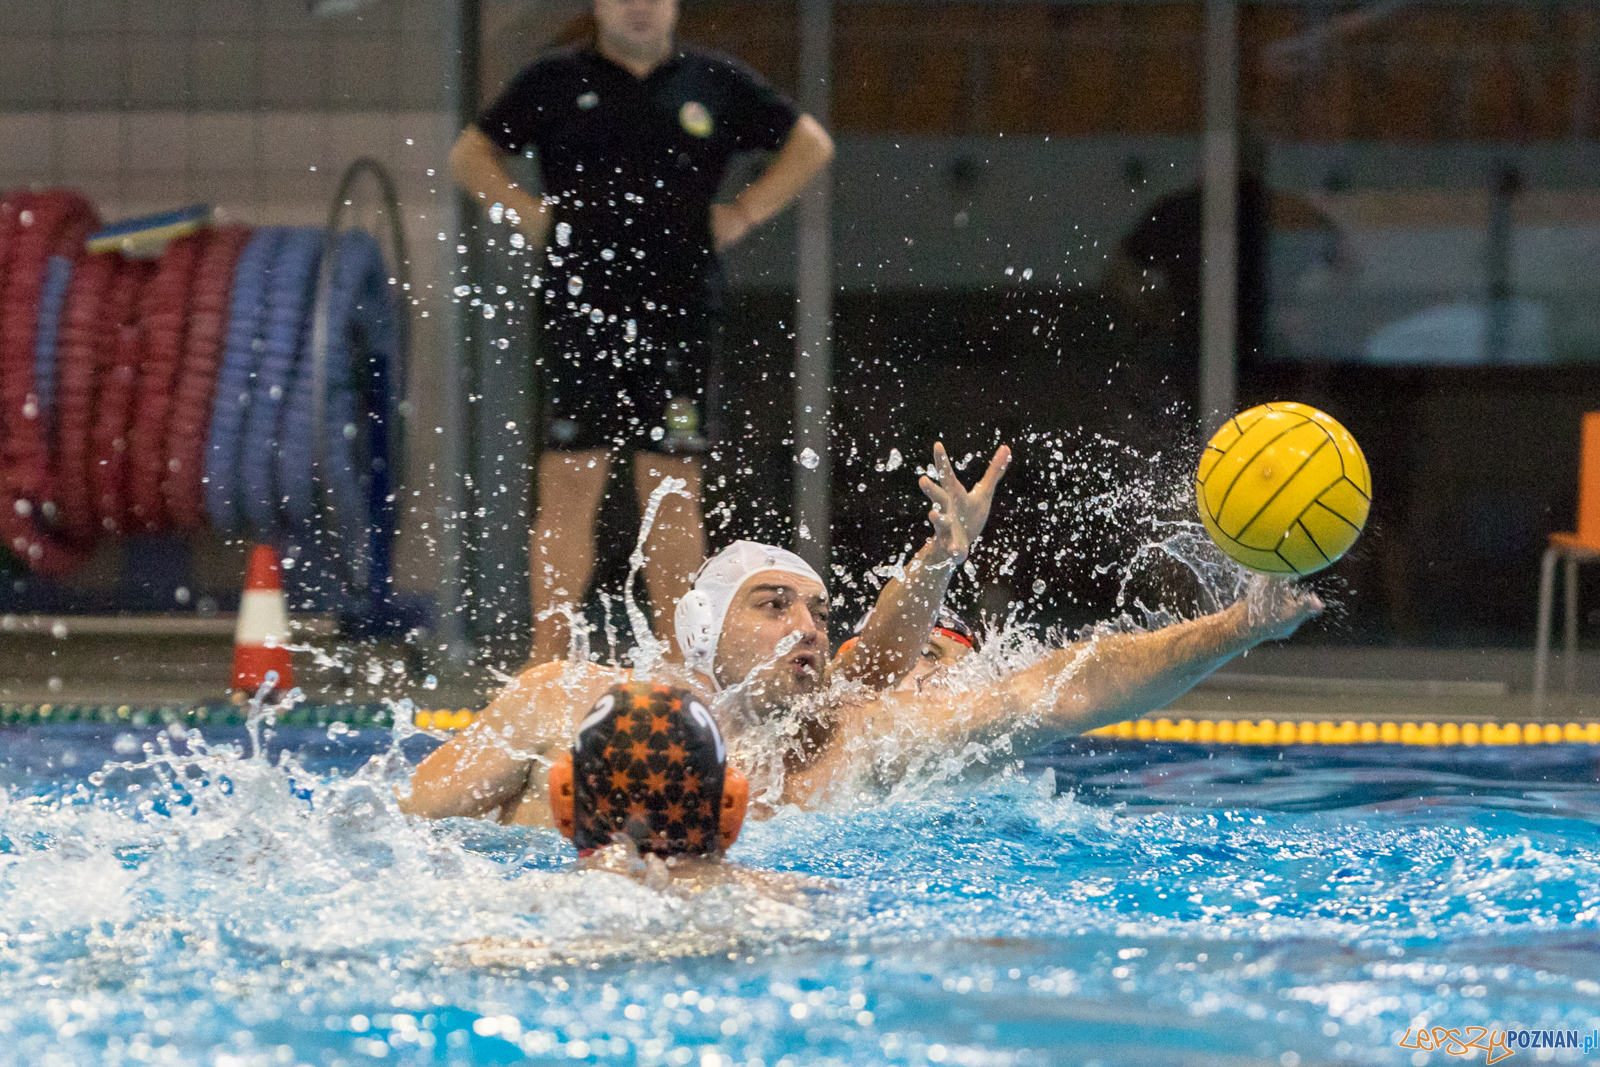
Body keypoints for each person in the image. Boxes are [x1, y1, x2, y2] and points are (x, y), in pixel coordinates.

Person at [400, 443, 1322, 823]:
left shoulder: (856, 747)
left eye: (815, 611)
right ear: (702, 635)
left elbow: (1061, 689)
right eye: (773, 605)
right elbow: (409, 830)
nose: (806, 626)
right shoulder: (563, 703)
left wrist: (1235, 627)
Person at [449, 0, 835, 663]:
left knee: (673, 487)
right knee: (570, 480)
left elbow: (811, 144)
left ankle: (683, 660)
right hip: (580, 306)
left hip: (680, 311)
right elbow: (469, 155)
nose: (637, 6)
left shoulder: (713, 81)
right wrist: (526, 214)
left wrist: (744, 212)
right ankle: (548, 658)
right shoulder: (556, 80)